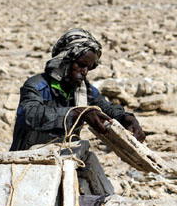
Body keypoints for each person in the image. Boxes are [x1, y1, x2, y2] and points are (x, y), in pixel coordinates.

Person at [10, 28, 147, 152]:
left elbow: (106, 109)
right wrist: (77, 114)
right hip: (28, 157)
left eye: (89, 67)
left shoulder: (84, 90)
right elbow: (29, 115)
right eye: (81, 65)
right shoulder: (37, 86)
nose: (85, 72)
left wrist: (127, 119)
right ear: (64, 61)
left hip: (65, 155)